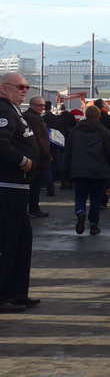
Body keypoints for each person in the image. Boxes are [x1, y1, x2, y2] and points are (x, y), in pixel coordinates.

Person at [0, 73, 41, 311]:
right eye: (20, 87)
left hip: (18, 187)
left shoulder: (13, 109)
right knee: (9, 242)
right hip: (8, 187)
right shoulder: (4, 110)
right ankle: (4, 295)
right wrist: (24, 161)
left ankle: (17, 292)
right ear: (4, 88)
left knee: (22, 242)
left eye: (27, 87)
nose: (24, 90)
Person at [64, 105, 110, 235]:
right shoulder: (104, 131)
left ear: (85, 115)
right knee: (96, 198)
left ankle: (80, 212)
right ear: (98, 116)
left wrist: (66, 170)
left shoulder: (75, 131)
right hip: (99, 169)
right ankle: (93, 224)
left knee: (80, 196)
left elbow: (68, 152)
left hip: (79, 169)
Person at [22, 96, 51, 218]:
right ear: (32, 105)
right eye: (39, 105)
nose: (42, 108)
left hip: (31, 156)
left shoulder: (27, 116)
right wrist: (46, 154)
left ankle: (29, 208)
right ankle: (33, 208)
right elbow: (40, 139)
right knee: (35, 185)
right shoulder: (34, 119)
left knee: (31, 184)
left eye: (43, 105)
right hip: (36, 157)